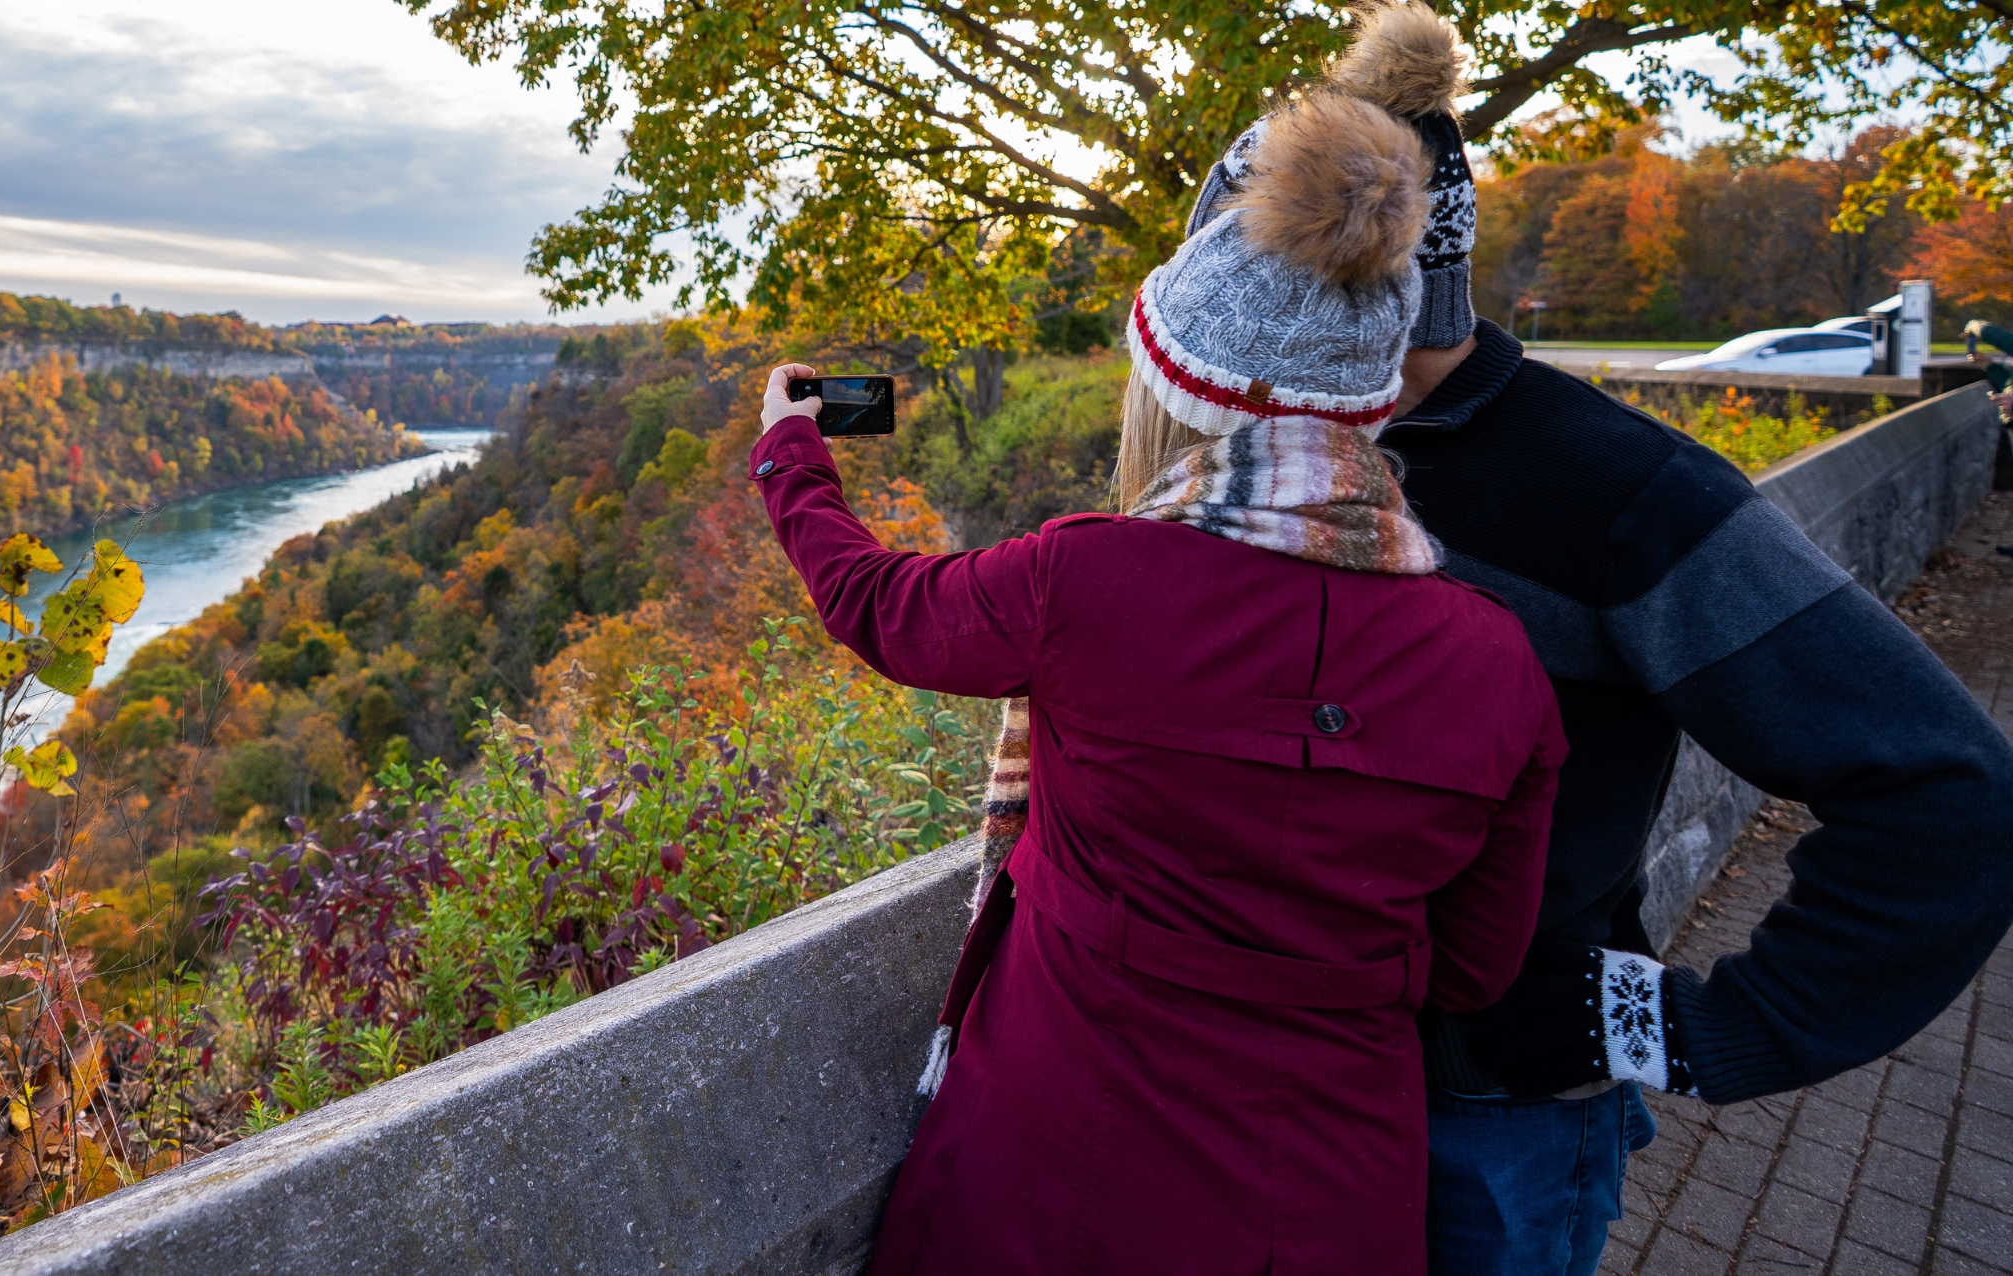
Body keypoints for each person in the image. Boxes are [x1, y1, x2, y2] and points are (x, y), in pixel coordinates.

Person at [1190, 6, 2013, 1272]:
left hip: (1483, 1128)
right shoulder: (1260, 456)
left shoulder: (1620, 495)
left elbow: (1949, 793)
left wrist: (1669, 1028)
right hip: (1257, 1091)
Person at [753, 92, 1566, 1273]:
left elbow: (879, 605)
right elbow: (1475, 967)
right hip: (1336, 1197)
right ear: (1369, 395)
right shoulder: (1495, 662)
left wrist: (793, 457)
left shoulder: (1088, 583)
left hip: (1059, 1169)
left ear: (1186, 387)